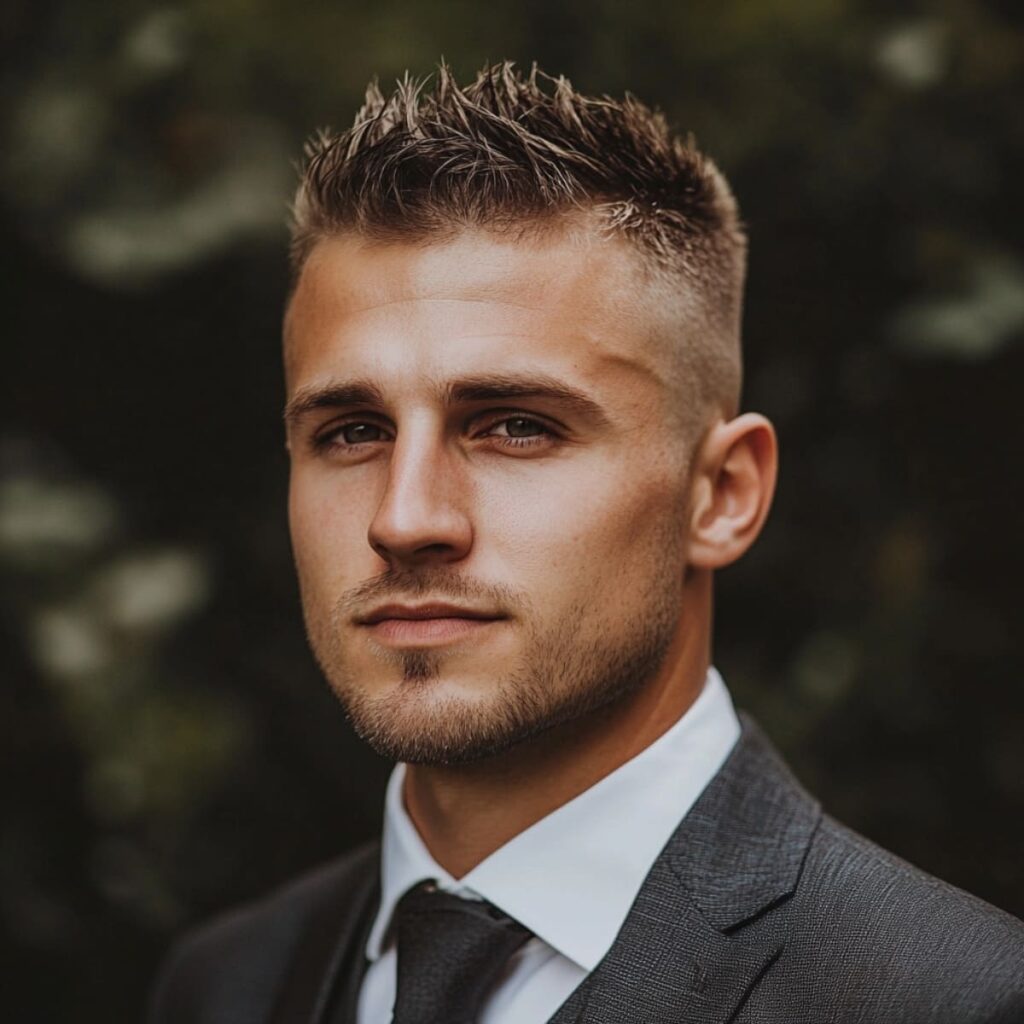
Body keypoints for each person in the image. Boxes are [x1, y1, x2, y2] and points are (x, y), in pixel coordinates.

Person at [147, 62, 1024, 1024]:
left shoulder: (950, 1000)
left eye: (516, 425)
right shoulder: (221, 986)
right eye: (352, 432)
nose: (404, 519)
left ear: (721, 494)